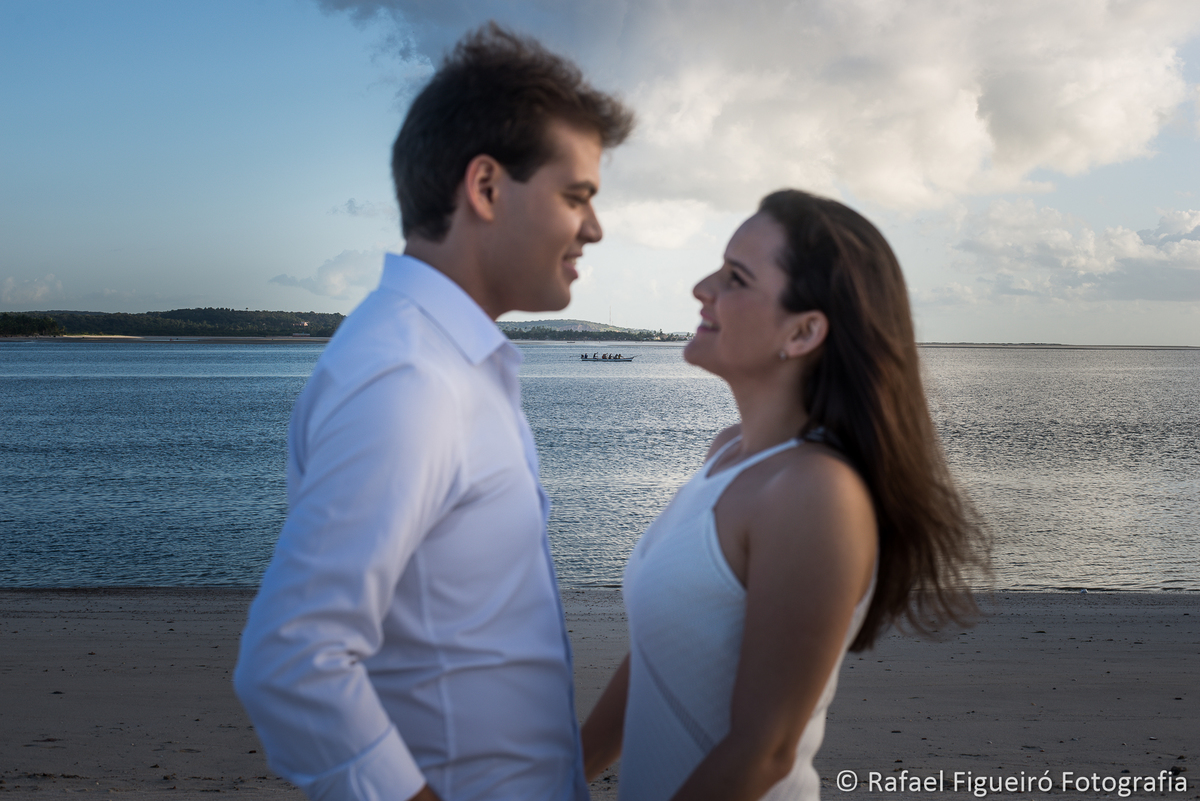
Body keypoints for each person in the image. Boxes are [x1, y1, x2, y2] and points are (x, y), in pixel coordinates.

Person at [234, 24, 633, 801]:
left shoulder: (453, 363)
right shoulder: (409, 378)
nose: (594, 227)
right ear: (485, 187)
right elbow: (293, 658)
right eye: (576, 195)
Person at [581, 190, 988, 801]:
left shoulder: (813, 493)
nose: (701, 288)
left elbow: (764, 751)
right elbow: (659, 654)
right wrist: (559, 775)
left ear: (803, 332)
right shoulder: (728, 453)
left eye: (735, 277)